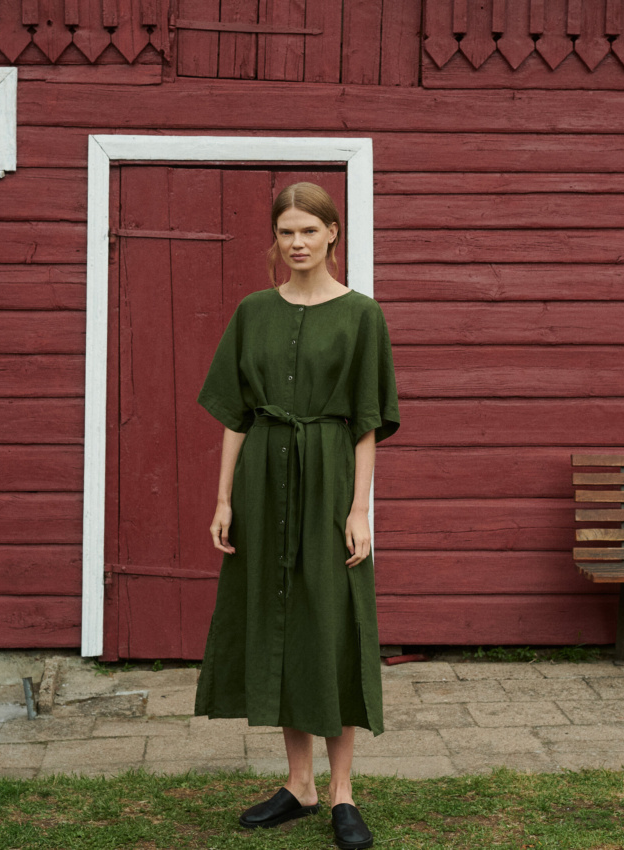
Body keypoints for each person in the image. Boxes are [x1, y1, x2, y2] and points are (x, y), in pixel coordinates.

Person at [194, 181, 400, 850]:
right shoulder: (253, 311)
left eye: (309, 230)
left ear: (333, 234)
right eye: (286, 232)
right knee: (277, 617)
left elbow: (367, 423)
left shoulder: (363, 315)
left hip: (331, 478)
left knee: (331, 626)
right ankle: (299, 784)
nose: (298, 243)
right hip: (264, 483)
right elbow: (236, 416)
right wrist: (224, 499)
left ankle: (342, 793)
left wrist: (359, 509)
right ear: (275, 240)